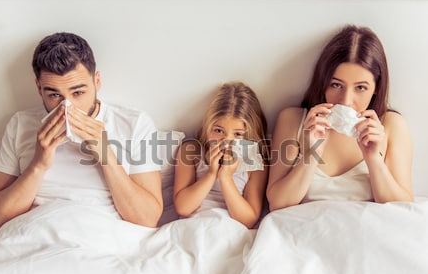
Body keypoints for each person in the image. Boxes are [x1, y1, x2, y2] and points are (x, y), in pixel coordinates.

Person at [0, 32, 163, 233]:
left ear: (97, 81)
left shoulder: (134, 123)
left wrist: (106, 155)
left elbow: (147, 219)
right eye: (54, 95)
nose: (67, 106)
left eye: (78, 93)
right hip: (34, 235)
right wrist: (38, 165)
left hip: (104, 236)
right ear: (38, 88)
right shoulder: (20, 124)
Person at [267, 24, 413, 211]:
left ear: (376, 87)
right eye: (336, 85)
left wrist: (374, 160)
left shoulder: (391, 126)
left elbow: (404, 209)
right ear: (323, 82)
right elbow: (278, 204)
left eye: (360, 88)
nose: (345, 101)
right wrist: (311, 154)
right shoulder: (293, 120)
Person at [173, 82, 269, 228]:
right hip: (193, 226)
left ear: (250, 137)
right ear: (208, 127)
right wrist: (211, 173)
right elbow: (183, 208)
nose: (226, 141)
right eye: (218, 131)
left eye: (237, 134)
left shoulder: (255, 165)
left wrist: (226, 177)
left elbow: (248, 220)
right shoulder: (191, 151)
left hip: (228, 230)